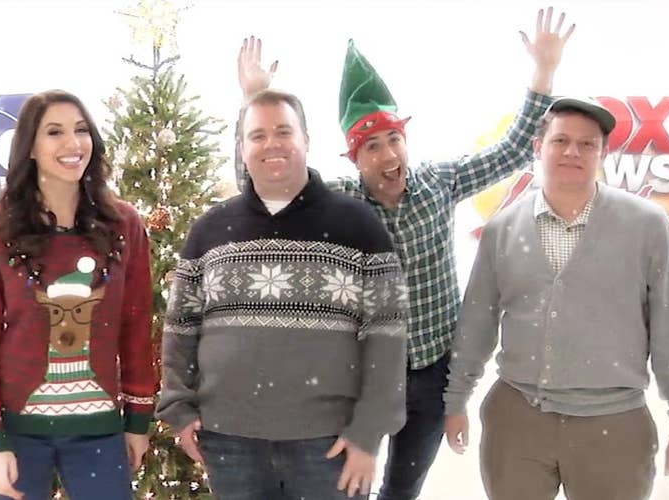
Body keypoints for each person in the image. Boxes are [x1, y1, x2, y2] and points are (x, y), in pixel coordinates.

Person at [232, 8, 573, 499]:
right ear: (354, 157)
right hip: (361, 380)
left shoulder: (439, 182)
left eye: (394, 139)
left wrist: (543, 72)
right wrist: (255, 100)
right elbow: (264, 190)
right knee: (351, 487)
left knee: (403, 489)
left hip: (432, 374)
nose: (389, 155)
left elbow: (514, 148)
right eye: (372, 146)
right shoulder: (340, 204)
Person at [157, 88, 409, 499]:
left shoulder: (359, 226)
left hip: (330, 446)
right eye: (257, 135)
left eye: (283, 131)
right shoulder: (209, 231)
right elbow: (180, 328)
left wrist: (368, 433)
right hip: (229, 442)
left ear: (305, 140)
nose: (271, 144)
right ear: (242, 148)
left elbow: (387, 338)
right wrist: (180, 410)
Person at [443, 96, 669, 500]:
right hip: (517, 422)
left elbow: (668, 327)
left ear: (603, 153)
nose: (573, 151)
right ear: (538, 148)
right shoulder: (503, 229)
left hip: (615, 425)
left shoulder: (647, 226)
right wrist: (456, 398)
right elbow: (477, 322)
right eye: (561, 140)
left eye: (587, 144)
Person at [0, 89, 155, 500]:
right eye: (54, 132)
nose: (72, 144)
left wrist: (138, 420)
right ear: (29, 146)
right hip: (18, 435)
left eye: (81, 130)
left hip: (100, 433)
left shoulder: (124, 225)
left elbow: (135, 327)